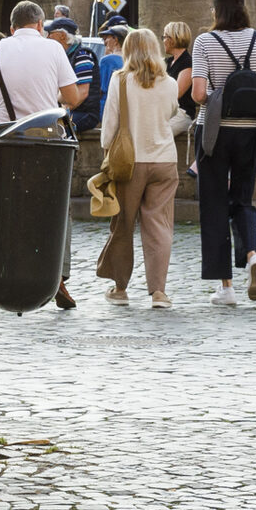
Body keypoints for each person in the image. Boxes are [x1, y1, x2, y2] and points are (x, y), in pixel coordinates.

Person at [0, 0, 86, 307]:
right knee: (57, 208)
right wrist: (50, 94)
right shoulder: (53, 49)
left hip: (8, 139)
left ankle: (8, 268)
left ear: (11, 28)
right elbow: (73, 98)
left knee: (9, 206)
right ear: (40, 25)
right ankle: (56, 276)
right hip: (47, 139)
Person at [189, 0, 256, 305]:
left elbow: (199, 94)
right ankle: (252, 255)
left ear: (216, 11)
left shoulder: (205, 41)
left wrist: (217, 95)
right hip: (251, 132)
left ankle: (225, 287)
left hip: (213, 132)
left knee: (213, 205)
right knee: (243, 199)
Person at [96, 27, 180, 308]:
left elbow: (109, 127)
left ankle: (120, 288)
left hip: (129, 163)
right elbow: (171, 113)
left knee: (123, 223)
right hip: (164, 160)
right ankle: (159, 292)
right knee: (159, 226)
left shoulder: (120, 81)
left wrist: (106, 152)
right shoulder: (169, 82)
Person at [161, 21, 198, 143]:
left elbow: (176, 94)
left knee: (158, 134)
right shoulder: (167, 62)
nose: (163, 41)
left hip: (182, 114)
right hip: (166, 112)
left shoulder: (188, 63)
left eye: (165, 37)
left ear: (173, 39)